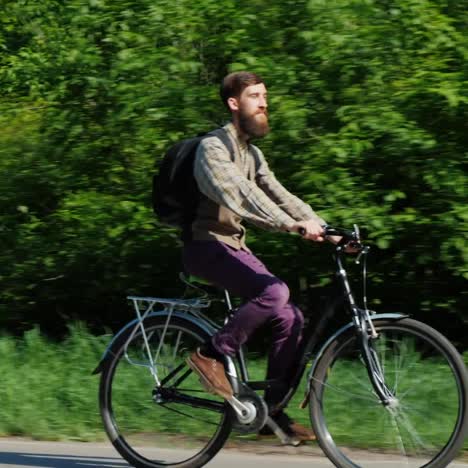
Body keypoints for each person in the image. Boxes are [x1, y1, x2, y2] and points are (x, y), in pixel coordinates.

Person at [184, 71, 338, 442]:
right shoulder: (213, 149)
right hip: (204, 246)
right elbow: (241, 197)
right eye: (255, 95)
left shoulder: (252, 154)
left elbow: (280, 194)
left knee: (291, 317)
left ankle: (272, 413)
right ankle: (209, 355)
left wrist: (325, 227)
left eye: (265, 95)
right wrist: (290, 226)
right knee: (275, 293)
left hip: (233, 246)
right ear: (234, 104)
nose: (264, 102)